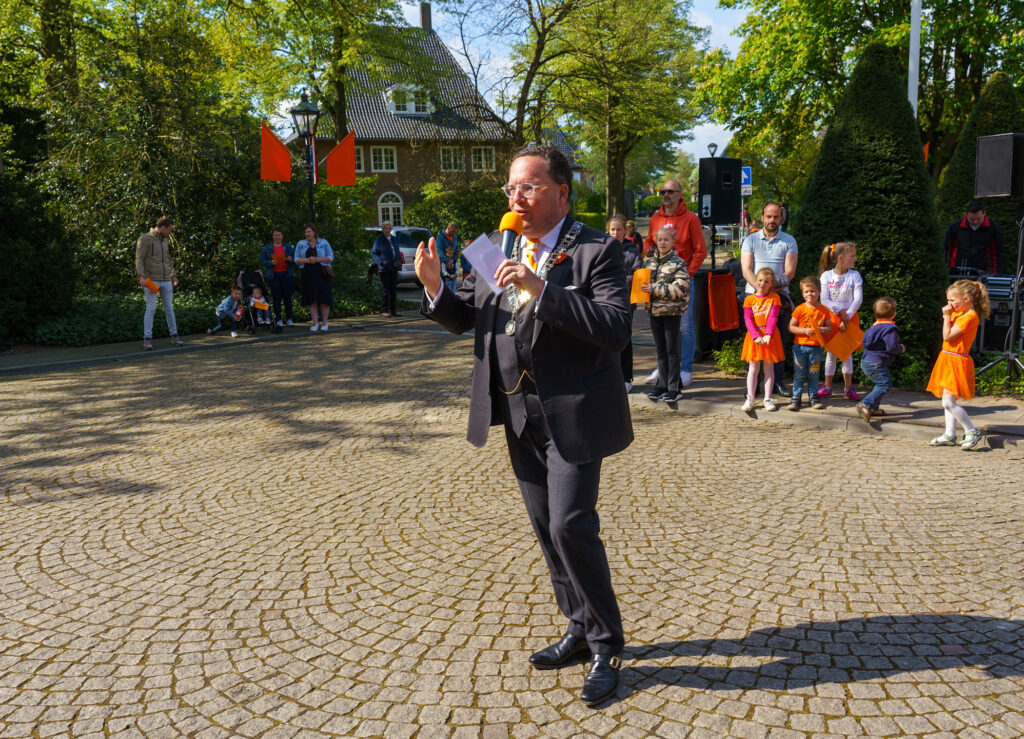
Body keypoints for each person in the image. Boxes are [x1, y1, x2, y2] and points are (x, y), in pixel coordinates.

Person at [415, 144, 631, 706]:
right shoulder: (498, 248)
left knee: (570, 525)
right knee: (544, 527)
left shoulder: (597, 250)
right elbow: (466, 315)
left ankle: (608, 644)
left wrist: (542, 290)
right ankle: (579, 628)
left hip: (575, 412)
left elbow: (613, 328)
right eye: (511, 188)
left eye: (529, 187)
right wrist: (436, 287)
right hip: (516, 413)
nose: (517, 197)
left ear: (562, 193)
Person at [642, 179, 706, 388]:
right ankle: (664, 368)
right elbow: (648, 245)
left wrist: (686, 274)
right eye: (663, 191)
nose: (666, 195)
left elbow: (700, 251)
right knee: (661, 324)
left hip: (681, 281)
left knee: (685, 326)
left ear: (679, 194)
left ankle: (686, 368)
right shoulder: (655, 218)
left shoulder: (691, 219)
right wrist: (648, 253)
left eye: (670, 191)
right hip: (659, 282)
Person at [926, 279, 990, 449]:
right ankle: (950, 434)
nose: (949, 304)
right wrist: (950, 314)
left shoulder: (970, 317)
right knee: (948, 400)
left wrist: (946, 317)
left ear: (966, 299)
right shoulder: (960, 314)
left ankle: (971, 430)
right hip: (947, 359)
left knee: (948, 402)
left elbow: (947, 336)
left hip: (956, 361)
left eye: (952, 301)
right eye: (948, 301)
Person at [741, 201, 797, 394]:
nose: (772, 220)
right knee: (754, 336)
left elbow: (789, 273)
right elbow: (746, 269)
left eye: (776, 217)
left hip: (778, 297)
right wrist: (759, 287)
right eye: (769, 216)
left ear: (781, 218)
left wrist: (771, 287)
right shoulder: (750, 240)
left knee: (777, 340)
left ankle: (777, 382)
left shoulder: (789, 241)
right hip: (754, 297)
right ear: (762, 217)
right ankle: (754, 384)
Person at [641, 225, 690, 403]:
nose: (662, 242)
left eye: (666, 240)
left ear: (672, 242)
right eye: (660, 239)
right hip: (653, 312)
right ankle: (661, 385)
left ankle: (673, 388)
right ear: (655, 241)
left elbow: (680, 288)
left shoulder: (679, 263)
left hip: (671, 312)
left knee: (672, 350)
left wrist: (653, 288)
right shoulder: (649, 263)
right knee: (660, 351)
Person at [818, 241, 864, 401]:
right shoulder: (827, 276)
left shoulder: (854, 275)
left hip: (849, 320)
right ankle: (827, 386)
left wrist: (848, 316)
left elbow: (858, 299)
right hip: (833, 320)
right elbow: (824, 299)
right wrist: (840, 312)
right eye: (852, 256)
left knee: (846, 354)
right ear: (840, 258)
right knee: (831, 354)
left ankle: (848, 388)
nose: (855, 259)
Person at [136, 216, 184, 350]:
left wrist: (173, 275)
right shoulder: (145, 238)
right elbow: (139, 259)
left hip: (166, 280)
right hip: (152, 280)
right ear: (163, 227)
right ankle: (147, 339)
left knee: (169, 308)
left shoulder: (165, 241)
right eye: (170, 229)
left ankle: (174, 336)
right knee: (151, 309)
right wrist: (141, 276)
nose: (171, 232)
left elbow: (168, 260)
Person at [740, 267, 784, 413]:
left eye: (766, 281)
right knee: (753, 368)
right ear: (755, 281)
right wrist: (755, 335)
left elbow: (773, 317)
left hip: (769, 336)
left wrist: (768, 334)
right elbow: (748, 319)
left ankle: (767, 398)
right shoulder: (749, 300)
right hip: (754, 337)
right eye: (760, 280)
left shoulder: (774, 298)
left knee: (769, 368)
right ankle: (750, 398)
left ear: (771, 284)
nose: (762, 284)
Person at [856, 296, 905, 424]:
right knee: (885, 385)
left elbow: (865, 342)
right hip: (876, 363)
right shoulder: (890, 329)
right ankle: (865, 404)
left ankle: (873, 408)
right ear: (894, 314)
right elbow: (892, 347)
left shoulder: (874, 327)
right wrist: (901, 348)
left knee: (880, 385)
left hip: (866, 361)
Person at [607, 215, 643, 392]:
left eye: (619, 230)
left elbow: (638, 275)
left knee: (625, 339)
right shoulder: (602, 248)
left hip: (626, 302)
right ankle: (609, 376)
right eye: (612, 230)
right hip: (605, 302)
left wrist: (619, 279)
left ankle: (626, 377)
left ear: (624, 231)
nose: (615, 233)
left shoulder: (631, 251)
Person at [787, 276, 833, 410]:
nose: (810, 294)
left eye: (812, 291)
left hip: (816, 348)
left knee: (814, 373)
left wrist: (821, 329)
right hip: (800, 347)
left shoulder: (824, 310)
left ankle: (814, 397)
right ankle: (796, 398)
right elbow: (791, 327)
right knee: (799, 374)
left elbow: (829, 327)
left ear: (819, 292)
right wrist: (804, 331)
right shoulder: (800, 309)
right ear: (802, 294)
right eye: (806, 292)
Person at [943, 200, 1004, 275]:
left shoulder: (993, 228)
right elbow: (947, 249)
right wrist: (946, 269)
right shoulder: (955, 227)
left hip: (981, 271)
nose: (975, 222)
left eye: (978, 219)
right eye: (972, 219)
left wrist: (996, 274)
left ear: (984, 214)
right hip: (957, 270)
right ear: (967, 215)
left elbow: (997, 253)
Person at [296, 223, 334, 331]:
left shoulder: (323, 242)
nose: (307, 234)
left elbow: (331, 257)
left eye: (309, 232)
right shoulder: (301, 244)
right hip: (308, 274)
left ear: (314, 232)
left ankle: (325, 323)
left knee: (324, 299)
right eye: (306, 232)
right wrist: (306, 260)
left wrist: (318, 259)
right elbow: (296, 259)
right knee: (311, 298)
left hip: (322, 273)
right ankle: (315, 323)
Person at [259, 227, 296, 326]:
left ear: (282, 236)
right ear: (273, 236)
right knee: (277, 297)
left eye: (279, 235)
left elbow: (296, 260)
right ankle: (279, 319)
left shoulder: (288, 247)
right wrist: (270, 262)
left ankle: (289, 319)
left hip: (287, 275)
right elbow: (262, 261)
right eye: (275, 235)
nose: (277, 237)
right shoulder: (267, 248)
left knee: (287, 297)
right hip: (273, 275)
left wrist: (291, 259)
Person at [372, 222, 402, 317]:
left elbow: (397, 251)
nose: (387, 230)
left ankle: (393, 310)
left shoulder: (394, 239)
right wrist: (381, 261)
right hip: (384, 269)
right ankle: (385, 310)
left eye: (389, 228)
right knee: (386, 290)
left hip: (394, 268)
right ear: (382, 229)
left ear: (391, 229)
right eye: (385, 228)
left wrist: (399, 260)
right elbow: (374, 253)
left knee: (393, 290)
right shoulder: (379, 240)